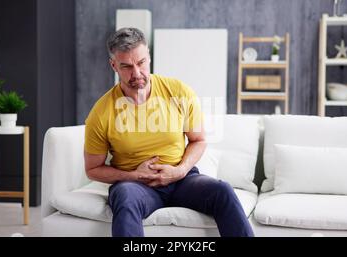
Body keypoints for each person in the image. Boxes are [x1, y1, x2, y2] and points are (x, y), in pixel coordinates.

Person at [84, 27, 254, 237]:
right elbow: (93, 169)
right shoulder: (101, 113)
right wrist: (134, 175)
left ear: (149, 57)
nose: (136, 73)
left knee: (223, 191)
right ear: (114, 65)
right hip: (136, 186)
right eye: (126, 66)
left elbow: (198, 140)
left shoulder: (178, 91)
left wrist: (181, 170)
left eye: (141, 63)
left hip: (182, 179)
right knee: (125, 196)